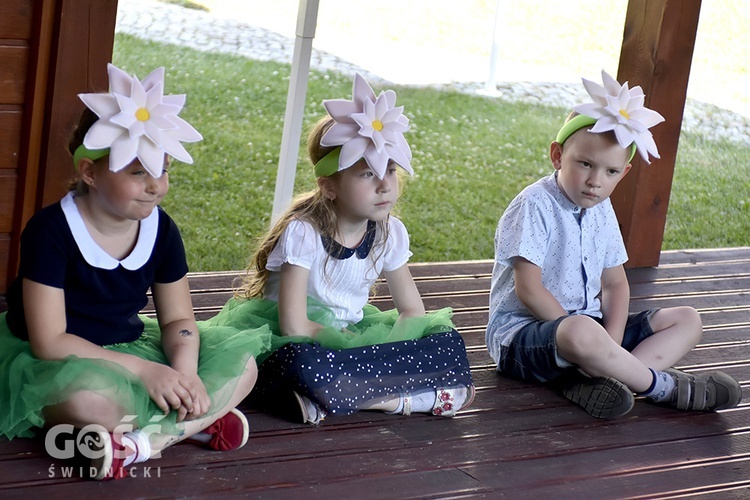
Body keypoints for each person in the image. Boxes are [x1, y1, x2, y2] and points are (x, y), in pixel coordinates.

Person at [0, 63, 270, 480]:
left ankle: (138, 443)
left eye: (162, 169)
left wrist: (182, 373)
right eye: (137, 171)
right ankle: (188, 428)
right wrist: (147, 372)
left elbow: (179, 319)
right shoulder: (52, 231)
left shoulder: (161, 230)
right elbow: (50, 341)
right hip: (67, 356)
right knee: (87, 403)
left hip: (129, 344)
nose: (155, 185)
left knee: (244, 364)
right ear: (89, 172)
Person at [207, 73, 474, 424]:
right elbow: (293, 326)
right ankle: (400, 398)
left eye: (391, 171)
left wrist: (384, 348)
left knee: (447, 341)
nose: (384, 186)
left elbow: (412, 312)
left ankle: (336, 395)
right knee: (302, 363)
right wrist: (355, 347)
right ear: (328, 186)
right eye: (366, 174)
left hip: (356, 340)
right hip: (298, 340)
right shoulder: (303, 233)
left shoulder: (389, 232)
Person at [486, 70, 742, 419]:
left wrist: (610, 342)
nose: (595, 181)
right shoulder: (534, 204)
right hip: (526, 337)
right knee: (580, 331)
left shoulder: (600, 209)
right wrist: (595, 343)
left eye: (610, 172)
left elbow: (615, 284)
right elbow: (529, 290)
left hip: (590, 333)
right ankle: (660, 386)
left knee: (687, 320)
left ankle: (606, 378)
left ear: (624, 172)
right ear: (558, 156)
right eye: (585, 164)